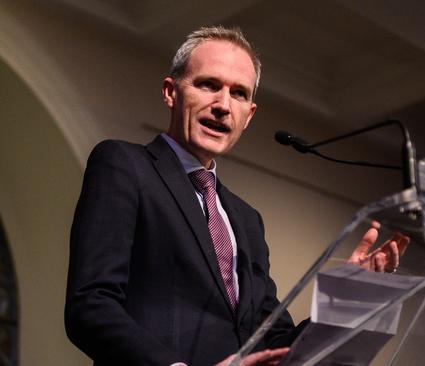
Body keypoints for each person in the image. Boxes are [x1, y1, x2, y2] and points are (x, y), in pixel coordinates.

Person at [65, 26, 407, 366]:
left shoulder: (246, 220)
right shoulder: (125, 164)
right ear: (171, 92)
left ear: (249, 115)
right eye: (209, 85)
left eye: (239, 93)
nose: (223, 105)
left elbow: (272, 340)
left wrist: (350, 299)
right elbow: (91, 305)